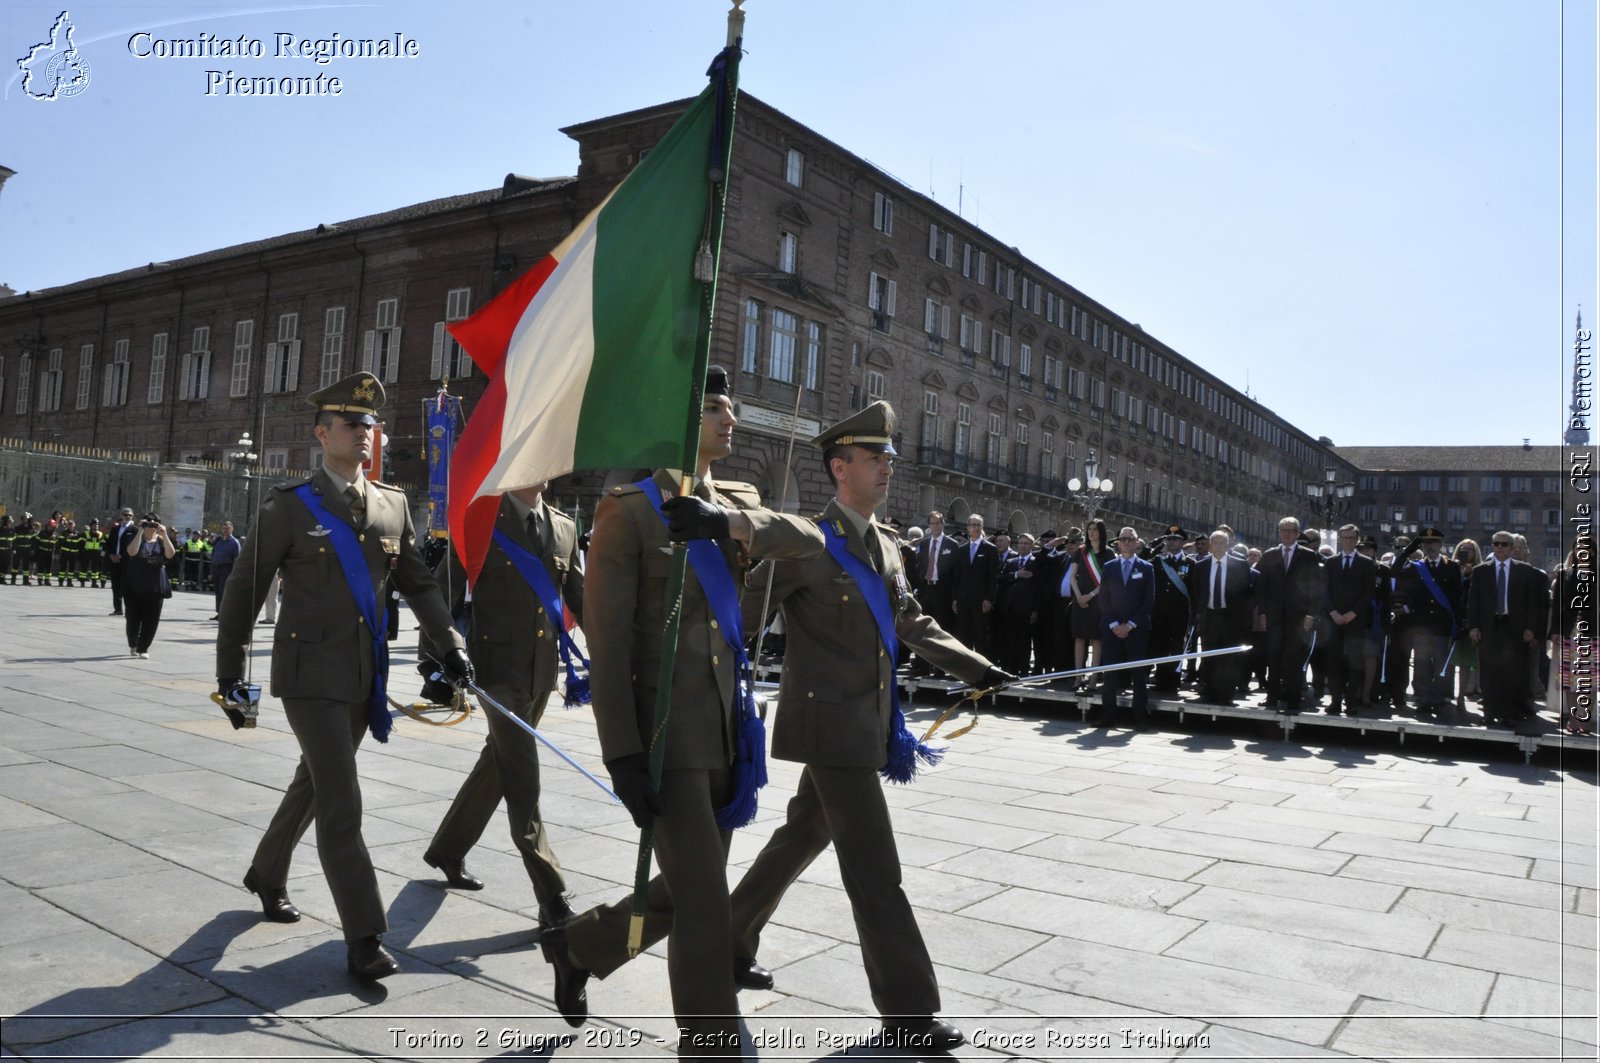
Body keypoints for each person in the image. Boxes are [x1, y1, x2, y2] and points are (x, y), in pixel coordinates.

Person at [538, 367, 824, 1055]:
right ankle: (712, 1042)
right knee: (702, 901)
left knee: (688, 887)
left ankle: (578, 946)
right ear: (674, 417)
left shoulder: (737, 500)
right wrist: (623, 752)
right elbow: (605, 641)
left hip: (726, 732)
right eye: (712, 407)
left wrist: (727, 520)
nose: (729, 418)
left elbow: (811, 540)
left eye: (730, 407)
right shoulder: (629, 509)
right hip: (663, 735)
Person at [730, 400, 1011, 1053]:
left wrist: (980, 669)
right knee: (876, 870)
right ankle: (909, 1010)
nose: (889, 464)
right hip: (830, 727)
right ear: (839, 466)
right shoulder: (809, 537)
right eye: (875, 455)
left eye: (890, 455)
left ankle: (725, 941)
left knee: (799, 836)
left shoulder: (885, 542)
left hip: (870, 720)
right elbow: (740, 617)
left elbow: (913, 623)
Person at [216, 371, 472, 981]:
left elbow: (417, 584)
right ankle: (364, 936)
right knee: (343, 802)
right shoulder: (289, 506)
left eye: (371, 426)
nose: (365, 434)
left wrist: (451, 644)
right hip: (308, 678)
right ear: (321, 433)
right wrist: (232, 681)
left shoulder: (392, 503)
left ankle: (266, 872)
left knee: (315, 783)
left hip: (363, 677)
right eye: (353, 424)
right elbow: (242, 598)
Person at [420, 482, 583, 929]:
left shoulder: (565, 528)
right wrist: (432, 665)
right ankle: (552, 895)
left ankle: (448, 850)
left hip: (540, 673)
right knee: (522, 777)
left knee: (498, 763)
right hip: (494, 675)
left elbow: (582, 600)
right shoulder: (482, 521)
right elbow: (438, 597)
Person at [1467, 531, 1549, 729]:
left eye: (1504, 544)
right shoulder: (1481, 570)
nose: (1500, 548)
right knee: (1488, 672)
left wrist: (1531, 628)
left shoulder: (1524, 571)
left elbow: (1532, 603)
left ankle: (1507, 713)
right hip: (1489, 627)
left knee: (1511, 672)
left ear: (1512, 548)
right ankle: (1489, 713)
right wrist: (1473, 627)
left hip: (1514, 628)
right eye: (1496, 544)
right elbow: (1473, 601)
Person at [1391, 527, 1464, 720]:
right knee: (1421, 664)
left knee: (1442, 665)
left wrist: (1458, 625)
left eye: (1434, 543)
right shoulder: (1416, 567)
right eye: (1426, 543)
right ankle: (1423, 699)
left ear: (1441, 545)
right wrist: (1409, 548)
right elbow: (1394, 571)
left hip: (1442, 625)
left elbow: (1457, 598)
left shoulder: (1452, 567)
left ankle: (1437, 699)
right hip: (1421, 625)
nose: (1430, 547)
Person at [1254, 517, 1325, 714]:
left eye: (1290, 530)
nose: (1285, 534)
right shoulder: (1269, 555)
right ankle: (1272, 696)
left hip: (1299, 616)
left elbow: (1316, 588)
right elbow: (1261, 587)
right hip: (1274, 616)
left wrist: (1312, 614)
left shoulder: (1308, 556)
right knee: (1274, 656)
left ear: (1297, 533)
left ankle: (1293, 697)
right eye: (1282, 530)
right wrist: (1263, 613)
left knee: (1293, 658)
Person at [1092, 526, 1156, 730]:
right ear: (1117, 542)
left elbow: (1148, 601)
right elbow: (1103, 598)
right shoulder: (1109, 567)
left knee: (1138, 674)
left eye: (1131, 539)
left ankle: (1140, 718)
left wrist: (1130, 624)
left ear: (1137, 543)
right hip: (1112, 629)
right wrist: (1114, 624)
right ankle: (1107, 716)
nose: (1127, 542)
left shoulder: (1146, 567)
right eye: (1123, 539)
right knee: (1110, 674)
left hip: (1136, 629)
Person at [1187, 529, 1255, 705]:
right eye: (1214, 542)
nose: (1217, 546)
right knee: (1209, 655)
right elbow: (1196, 592)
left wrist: (1244, 618)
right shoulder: (1201, 565)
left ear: (1227, 545)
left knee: (1228, 658)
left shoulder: (1239, 564)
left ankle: (1226, 694)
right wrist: (1197, 615)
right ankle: (1208, 692)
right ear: (1210, 546)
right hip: (1210, 616)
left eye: (1221, 543)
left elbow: (1247, 593)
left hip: (1231, 617)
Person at [1324, 524, 1377, 717]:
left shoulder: (1367, 563)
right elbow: (1323, 591)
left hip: (1355, 620)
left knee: (1355, 663)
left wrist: (1352, 613)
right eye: (1344, 537)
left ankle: (1351, 701)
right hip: (1333, 620)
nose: (1348, 541)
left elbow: (1368, 593)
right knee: (1334, 662)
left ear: (1357, 540)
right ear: (1339, 539)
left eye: (1351, 538)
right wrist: (1333, 613)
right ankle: (1335, 700)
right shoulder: (1330, 562)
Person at [1549, 536, 1594, 734]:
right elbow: (1557, 606)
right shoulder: (1565, 574)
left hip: (1593, 634)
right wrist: (1555, 631)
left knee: (1590, 679)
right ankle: (1573, 719)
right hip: (1569, 632)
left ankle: (1585, 719)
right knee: (1569, 678)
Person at [122, 513, 175, 658]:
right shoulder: (134, 536)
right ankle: (133, 643)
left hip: (155, 586)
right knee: (132, 618)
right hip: (135, 584)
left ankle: (143, 648)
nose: (151, 523)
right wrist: (140, 530)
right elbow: (132, 552)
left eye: (155, 521)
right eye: (148, 521)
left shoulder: (162, 540)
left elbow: (170, 555)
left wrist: (164, 533)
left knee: (151, 619)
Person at [1148, 525, 1192, 692]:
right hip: (1160, 613)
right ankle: (1161, 679)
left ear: (1182, 542)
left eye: (1175, 539)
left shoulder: (1190, 563)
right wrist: (1158, 545)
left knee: (1176, 648)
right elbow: (1143, 558)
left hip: (1179, 615)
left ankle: (1173, 680)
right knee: (1159, 646)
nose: (1171, 542)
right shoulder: (1158, 561)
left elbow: (1193, 590)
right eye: (1169, 539)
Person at [948, 513, 999, 654]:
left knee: (980, 635)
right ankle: (966, 669)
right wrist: (955, 599)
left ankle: (982, 671)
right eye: (972, 525)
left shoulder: (990, 549)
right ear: (968, 528)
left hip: (981, 600)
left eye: (978, 525)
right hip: (963, 599)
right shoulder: (961, 550)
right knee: (963, 636)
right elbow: (957, 577)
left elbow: (993, 577)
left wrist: (989, 599)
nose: (975, 528)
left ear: (982, 527)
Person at [996, 531, 1046, 674]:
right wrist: (1017, 574)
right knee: (1009, 638)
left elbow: (1040, 588)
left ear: (1032, 545)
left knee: (1024, 640)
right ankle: (1010, 667)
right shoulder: (1011, 562)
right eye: (1021, 543)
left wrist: (1036, 610)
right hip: (1009, 607)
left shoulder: (1036, 563)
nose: (1023, 546)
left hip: (1027, 608)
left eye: (1026, 543)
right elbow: (999, 578)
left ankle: (1024, 667)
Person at [106, 508, 137, 612]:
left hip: (128, 561)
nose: (127, 517)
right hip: (114, 560)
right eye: (125, 515)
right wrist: (111, 554)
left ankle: (129, 608)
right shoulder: (115, 529)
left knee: (127, 585)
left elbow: (135, 546)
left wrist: (124, 555)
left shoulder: (135, 530)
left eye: (130, 515)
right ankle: (118, 608)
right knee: (116, 584)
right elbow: (109, 544)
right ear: (121, 516)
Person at [209, 521, 240, 620]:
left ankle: (225, 613)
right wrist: (211, 571)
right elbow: (213, 555)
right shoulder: (218, 541)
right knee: (217, 591)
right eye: (223, 528)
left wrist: (234, 573)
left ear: (232, 529)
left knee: (224, 592)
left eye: (227, 528)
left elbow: (237, 558)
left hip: (227, 569)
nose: (225, 530)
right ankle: (219, 612)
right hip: (216, 568)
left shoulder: (234, 542)